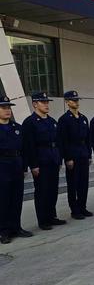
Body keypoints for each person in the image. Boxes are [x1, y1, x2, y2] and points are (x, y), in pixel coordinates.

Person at [22, 92, 66, 230]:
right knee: (42, 191)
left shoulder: (52, 121)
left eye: (47, 102)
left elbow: (58, 142)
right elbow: (29, 146)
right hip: (41, 161)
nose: (47, 104)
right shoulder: (30, 122)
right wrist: (33, 165)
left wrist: (59, 159)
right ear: (35, 104)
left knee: (53, 190)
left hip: (53, 159)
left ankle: (52, 216)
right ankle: (43, 220)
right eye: (43, 102)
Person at [0, 95, 33, 244]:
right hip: (2, 166)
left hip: (16, 164)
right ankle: (4, 231)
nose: (7, 110)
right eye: (3, 107)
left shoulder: (17, 128)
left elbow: (25, 149)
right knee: (3, 199)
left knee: (16, 198)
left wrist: (24, 166)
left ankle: (16, 227)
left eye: (8, 107)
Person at [57, 91, 93, 220]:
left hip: (83, 152)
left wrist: (89, 154)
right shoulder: (64, 119)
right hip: (72, 153)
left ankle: (82, 207)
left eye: (77, 100)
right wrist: (67, 158)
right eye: (73, 100)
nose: (76, 102)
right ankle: (74, 209)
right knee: (73, 183)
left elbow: (88, 138)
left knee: (84, 182)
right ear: (67, 102)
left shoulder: (83, 118)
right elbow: (63, 140)